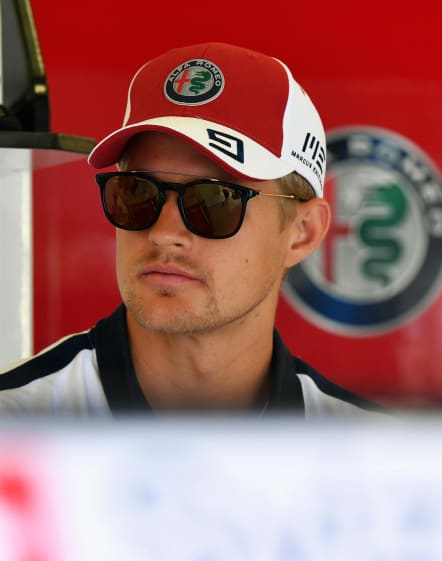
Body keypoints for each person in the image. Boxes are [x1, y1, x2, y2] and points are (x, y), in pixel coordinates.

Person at [0, 42, 379, 416]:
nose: (164, 233)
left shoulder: (372, 448)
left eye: (216, 201)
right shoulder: (15, 424)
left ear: (303, 232)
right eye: (137, 192)